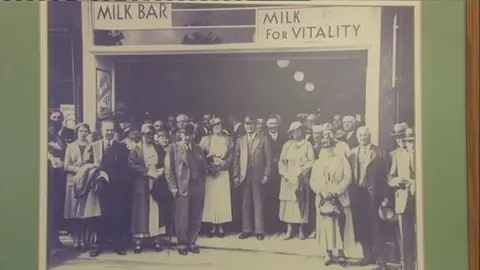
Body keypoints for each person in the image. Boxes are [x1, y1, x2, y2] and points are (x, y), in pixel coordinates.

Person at [86, 120, 131, 257]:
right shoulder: (94, 147)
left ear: (115, 132)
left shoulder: (122, 147)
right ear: (101, 131)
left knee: (117, 216)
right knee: (98, 216)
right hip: (99, 187)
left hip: (117, 188)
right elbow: (87, 165)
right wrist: (99, 173)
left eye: (111, 130)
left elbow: (125, 168)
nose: (109, 133)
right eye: (107, 130)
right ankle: (97, 245)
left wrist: (116, 180)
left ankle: (117, 244)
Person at [310, 136, 355, 267]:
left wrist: (335, 191)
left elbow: (348, 177)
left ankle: (341, 253)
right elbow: (312, 181)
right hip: (323, 199)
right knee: (326, 226)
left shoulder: (342, 160)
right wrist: (322, 192)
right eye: (324, 146)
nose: (327, 149)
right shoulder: (318, 163)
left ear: (334, 147)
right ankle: (328, 252)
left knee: (340, 225)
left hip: (339, 197)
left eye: (329, 146)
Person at [164, 123, 208, 255]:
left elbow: (203, 165)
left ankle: (192, 242)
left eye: (190, 134)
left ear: (193, 135)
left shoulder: (198, 148)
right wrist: (173, 187)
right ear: (180, 135)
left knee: (196, 216)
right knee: (182, 218)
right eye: (185, 134)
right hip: (182, 187)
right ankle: (182, 244)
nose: (187, 137)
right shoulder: (173, 148)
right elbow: (169, 170)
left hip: (197, 186)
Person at [349, 126, 388, 269]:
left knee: (375, 226)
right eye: (360, 136)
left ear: (370, 136)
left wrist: (384, 196)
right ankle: (367, 255)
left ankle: (380, 258)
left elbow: (384, 176)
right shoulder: (352, 153)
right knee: (361, 224)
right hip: (357, 193)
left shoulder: (379, 151)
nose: (363, 138)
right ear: (357, 137)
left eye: (365, 135)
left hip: (373, 193)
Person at [232, 116, 272, 240]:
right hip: (244, 174)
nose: (249, 126)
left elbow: (268, 159)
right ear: (244, 125)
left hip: (257, 175)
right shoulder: (240, 140)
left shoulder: (263, 139)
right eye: (247, 124)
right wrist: (235, 175)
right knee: (245, 203)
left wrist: (266, 174)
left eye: (251, 124)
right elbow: (236, 159)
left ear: (256, 125)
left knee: (258, 202)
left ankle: (259, 230)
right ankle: (246, 229)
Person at [129, 124, 168, 253]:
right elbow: (132, 165)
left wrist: (161, 170)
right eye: (146, 134)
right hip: (142, 183)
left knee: (155, 210)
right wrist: (146, 171)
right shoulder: (136, 149)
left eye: (150, 134)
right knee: (141, 211)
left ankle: (156, 240)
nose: (148, 136)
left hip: (156, 183)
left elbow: (164, 162)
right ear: (142, 135)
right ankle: (139, 242)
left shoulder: (158, 148)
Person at [63, 123, 99, 252]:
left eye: (85, 131)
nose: (83, 133)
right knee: (73, 213)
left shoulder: (93, 146)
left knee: (84, 213)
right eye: (81, 131)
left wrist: (87, 169)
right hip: (73, 182)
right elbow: (66, 165)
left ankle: (84, 239)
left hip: (87, 183)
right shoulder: (71, 147)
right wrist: (80, 169)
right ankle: (76, 239)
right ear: (77, 132)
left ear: (88, 132)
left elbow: (96, 164)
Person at [278, 121, 315, 240]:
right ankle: (289, 229)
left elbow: (311, 161)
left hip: (301, 177)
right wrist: (285, 173)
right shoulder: (286, 145)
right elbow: (281, 161)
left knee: (300, 202)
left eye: (299, 130)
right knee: (288, 204)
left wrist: (301, 171)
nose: (296, 133)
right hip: (288, 178)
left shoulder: (307, 145)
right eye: (294, 131)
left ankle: (301, 229)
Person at [199, 117, 234, 237]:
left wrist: (223, 165)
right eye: (214, 125)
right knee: (211, 199)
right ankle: (212, 226)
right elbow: (200, 156)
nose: (217, 127)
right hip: (210, 173)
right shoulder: (206, 140)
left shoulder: (228, 140)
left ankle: (221, 226)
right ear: (211, 127)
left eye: (219, 124)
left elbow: (231, 156)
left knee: (222, 199)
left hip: (223, 173)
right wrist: (209, 165)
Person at [388, 126, 417, 270]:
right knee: (405, 235)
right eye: (408, 140)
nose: (409, 143)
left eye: (412, 140)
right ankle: (407, 266)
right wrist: (398, 181)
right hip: (403, 198)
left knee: (419, 233)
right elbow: (390, 178)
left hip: (418, 199)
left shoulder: (420, 153)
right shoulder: (397, 155)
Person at [47, 110, 75, 250]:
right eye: (53, 118)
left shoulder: (67, 133)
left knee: (61, 202)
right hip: (50, 173)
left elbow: (67, 148)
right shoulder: (46, 135)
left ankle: (58, 233)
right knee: (52, 203)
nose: (56, 121)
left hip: (63, 171)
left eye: (59, 118)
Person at [265, 114, 288, 234]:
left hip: (281, 172)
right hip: (268, 172)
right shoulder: (263, 137)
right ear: (267, 125)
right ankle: (270, 227)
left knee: (281, 199)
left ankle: (281, 227)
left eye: (275, 123)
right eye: (271, 123)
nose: (273, 126)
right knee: (269, 199)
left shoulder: (284, 137)